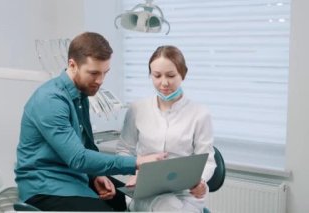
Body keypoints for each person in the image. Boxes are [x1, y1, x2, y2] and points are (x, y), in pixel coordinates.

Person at [14, 32, 167, 212]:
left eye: (105, 73)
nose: (100, 81)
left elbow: (86, 146)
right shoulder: (51, 101)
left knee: (136, 202)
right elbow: (78, 158)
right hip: (45, 186)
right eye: (94, 73)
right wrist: (137, 162)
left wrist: (95, 176)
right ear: (73, 65)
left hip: (75, 177)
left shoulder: (81, 93)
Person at [117, 45, 217, 212]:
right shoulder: (137, 109)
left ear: (183, 74)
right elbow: (124, 149)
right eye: (157, 76)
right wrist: (134, 172)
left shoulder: (200, 114)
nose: (164, 82)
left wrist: (201, 181)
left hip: (185, 194)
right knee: (167, 206)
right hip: (145, 192)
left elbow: (207, 159)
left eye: (171, 75)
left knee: (171, 206)